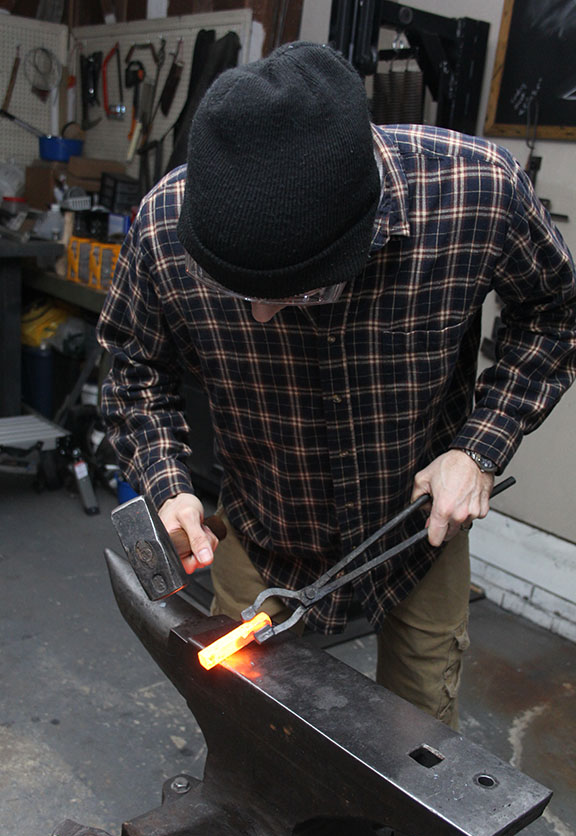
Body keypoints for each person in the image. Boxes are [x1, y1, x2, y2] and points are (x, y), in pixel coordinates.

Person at [97, 42, 576, 730]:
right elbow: (133, 366)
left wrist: (478, 448)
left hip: (417, 528)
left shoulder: (475, 190)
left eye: (287, 292)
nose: (259, 314)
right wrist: (168, 482)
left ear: (358, 235)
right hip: (263, 524)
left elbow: (556, 316)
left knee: (420, 748)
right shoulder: (164, 226)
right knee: (242, 724)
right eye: (239, 290)